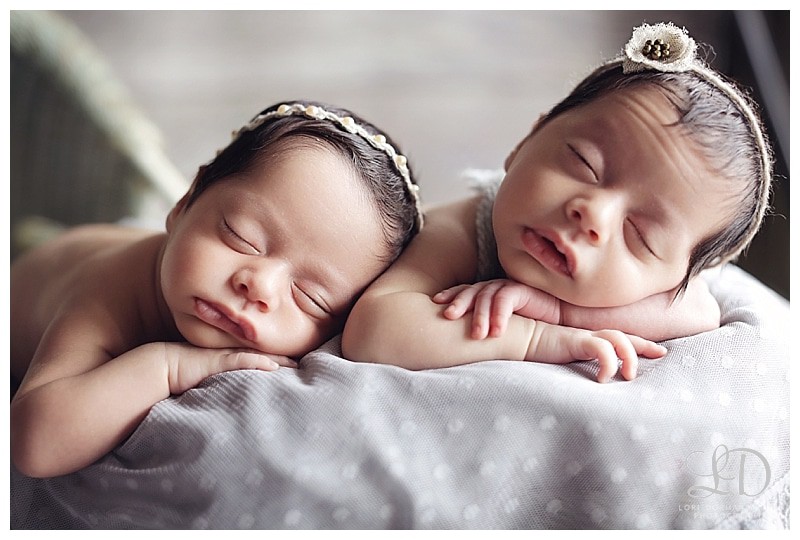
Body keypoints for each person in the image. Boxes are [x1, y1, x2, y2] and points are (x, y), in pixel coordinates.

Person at [10, 100, 424, 478]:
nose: (259, 286)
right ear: (184, 201)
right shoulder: (107, 293)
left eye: (311, 297)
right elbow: (36, 445)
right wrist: (168, 367)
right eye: (240, 237)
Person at [342, 22, 773, 383]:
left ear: (672, 278)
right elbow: (375, 330)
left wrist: (559, 311)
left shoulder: (678, 292)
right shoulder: (467, 228)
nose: (593, 214)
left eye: (639, 234)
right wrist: (538, 337)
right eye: (585, 164)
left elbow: (698, 312)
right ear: (525, 142)